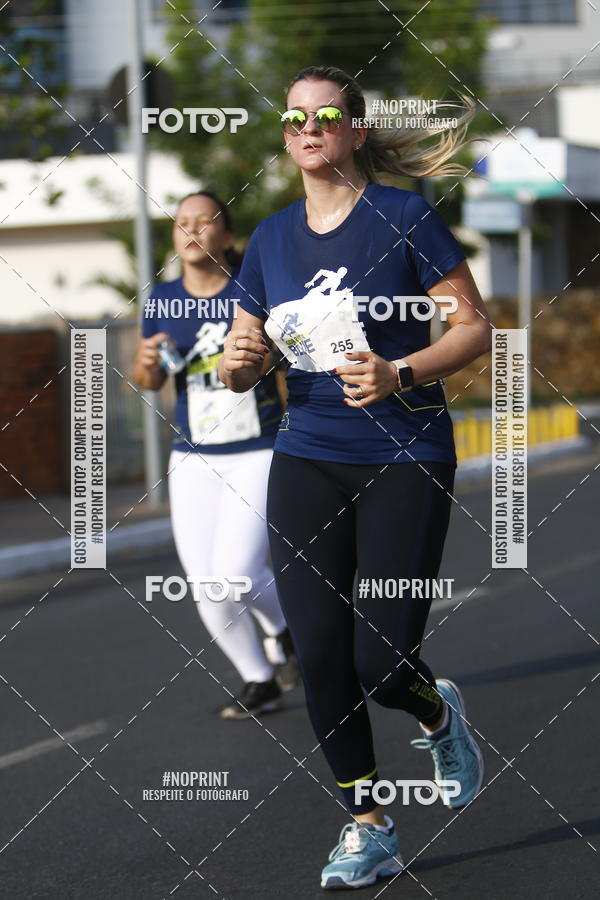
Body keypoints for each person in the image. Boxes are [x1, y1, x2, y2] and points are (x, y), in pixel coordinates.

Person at [219, 66, 492, 889]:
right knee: (322, 655)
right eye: (295, 117)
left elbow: (475, 328)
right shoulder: (268, 239)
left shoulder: (403, 215)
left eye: (327, 115)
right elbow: (238, 363)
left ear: (355, 131)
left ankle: (438, 713)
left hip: (405, 452)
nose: (309, 128)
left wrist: (401, 373)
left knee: (381, 662)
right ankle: (368, 822)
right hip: (307, 455)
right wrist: (238, 364)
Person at [133, 191, 298, 720]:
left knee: (237, 573)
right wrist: (144, 363)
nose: (192, 230)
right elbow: (151, 379)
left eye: (206, 221)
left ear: (228, 236)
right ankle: (261, 678)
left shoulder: (254, 289)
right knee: (207, 585)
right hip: (193, 456)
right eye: (182, 222)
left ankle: (284, 629)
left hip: (258, 448)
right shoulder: (160, 298)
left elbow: (290, 370)